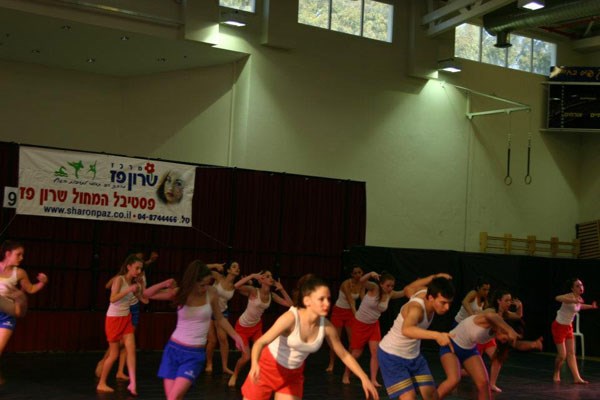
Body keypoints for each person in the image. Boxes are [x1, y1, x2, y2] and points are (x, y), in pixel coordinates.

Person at [241, 274, 379, 400]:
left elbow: (344, 354)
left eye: (328, 299)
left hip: (293, 374)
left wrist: (364, 377)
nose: (327, 304)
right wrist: (254, 365)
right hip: (268, 368)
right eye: (321, 299)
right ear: (307, 300)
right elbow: (260, 343)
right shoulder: (290, 318)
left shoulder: (327, 327)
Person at [158, 260, 245, 400]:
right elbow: (147, 295)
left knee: (173, 397)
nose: (205, 287)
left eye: (207, 283)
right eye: (202, 284)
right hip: (175, 347)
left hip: (196, 348)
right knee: (174, 397)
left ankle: (222, 365)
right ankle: (210, 363)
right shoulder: (185, 291)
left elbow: (220, 318)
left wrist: (236, 336)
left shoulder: (214, 291)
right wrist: (214, 265)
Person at [377, 275, 455, 400]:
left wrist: (434, 277)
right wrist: (437, 335)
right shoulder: (416, 308)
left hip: (413, 355)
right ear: (431, 297)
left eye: (449, 303)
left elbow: (408, 288)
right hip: (392, 355)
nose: (447, 308)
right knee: (409, 397)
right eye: (443, 303)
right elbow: (406, 329)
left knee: (431, 395)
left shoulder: (425, 291)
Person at [436, 311, 533, 400]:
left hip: (469, 350)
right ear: (504, 328)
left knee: (484, 384)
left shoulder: (498, 332)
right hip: (451, 345)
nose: (504, 341)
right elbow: (490, 314)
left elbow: (517, 345)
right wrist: (509, 329)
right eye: (506, 337)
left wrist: (534, 344)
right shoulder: (489, 321)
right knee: (454, 380)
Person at [342, 271, 409, 386]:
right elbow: (361, 281)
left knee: (376, 352)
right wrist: (370, 274)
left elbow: (404, 293)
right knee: (357, 353)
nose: (390, 288)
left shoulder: (390, 294)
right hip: (360, 324)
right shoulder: (374, 288)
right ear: (381, 284)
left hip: (373, 325)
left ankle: (373, 380)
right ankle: (346, 374)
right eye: (388, 285)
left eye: (392, 286)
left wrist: (417, 285)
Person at [228, 270, 293, 387]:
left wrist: (282, 289)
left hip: (256, 327)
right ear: (261, 280)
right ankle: (235, 374)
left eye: (271, 276)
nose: (271, 278)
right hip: (242, 327)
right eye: (267, 276)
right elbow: (235, 286)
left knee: (262, 353)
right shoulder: (254, 291)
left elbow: (290, 304)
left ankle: (255, 376)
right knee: (246, 357)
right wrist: (252, 276)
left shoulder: (272, 295)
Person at [96, 254, 144, 395]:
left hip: (126, 318)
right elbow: (112, 299)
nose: (139, 271)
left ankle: (133, 383)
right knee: (114, 354)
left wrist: (140, 287)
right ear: (129, 267)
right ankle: (101, 383)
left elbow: (144, 299)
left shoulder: (134, 283)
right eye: (137, 268)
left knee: (131, 349)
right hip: (114, 319)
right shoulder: (119, 279)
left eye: (140, 269)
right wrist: (128, 290)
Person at [0, 241, 48, 381]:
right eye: (18, 254)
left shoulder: (20, 273)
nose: (21, 258)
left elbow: (31, 289)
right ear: (8, 254)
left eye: (22, 255)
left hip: (7, 314)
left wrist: (42, 282)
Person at [481, 289, 542, 392]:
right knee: (471, 370)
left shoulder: (505, 313)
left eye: (510, 300)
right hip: (478, 340)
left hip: (488, 340)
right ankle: (458, 372)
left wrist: (520, 306)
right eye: (506, 300)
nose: (509, 303)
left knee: (498, 359)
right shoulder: (490, 311)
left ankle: (492, 384)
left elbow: (518, 316)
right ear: (499, 301)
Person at [552, 278, 598, 384]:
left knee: (571, 353)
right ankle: (556, 371)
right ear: (572, 289)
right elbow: (557, 298)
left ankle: (577, 378)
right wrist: (573, 300)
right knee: (562, 355)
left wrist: (591, 306)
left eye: (581, 285)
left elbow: (579, 306)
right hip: (559, 326)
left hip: (569, 327)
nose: (580, 287)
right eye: (577, 286)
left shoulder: (579, 298)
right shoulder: (569, 296)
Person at [326, 265, 366, 372]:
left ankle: (349, 365)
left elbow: (363, 299)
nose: (358, 275)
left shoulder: (362, 284)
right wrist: (357, 316)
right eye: (355, 273)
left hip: (350, 313)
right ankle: (331, 363)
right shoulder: (346, 284)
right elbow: (351, 301)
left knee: (352, 341)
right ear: (352, 274)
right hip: (338, 312)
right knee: (335, 339)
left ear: (362, 273)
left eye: (359, 272)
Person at [205, 261, 241, 374]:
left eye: (238, 267)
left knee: (223, 339)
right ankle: (209, 363)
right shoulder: (218, 277)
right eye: (234, 266)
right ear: (228, 270)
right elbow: (201, 268)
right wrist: (215, 265)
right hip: (209, 311)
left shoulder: (235, 286)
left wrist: (251, 280)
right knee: (212, 341)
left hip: (222, 312)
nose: (237, 269)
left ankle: (225, 367)